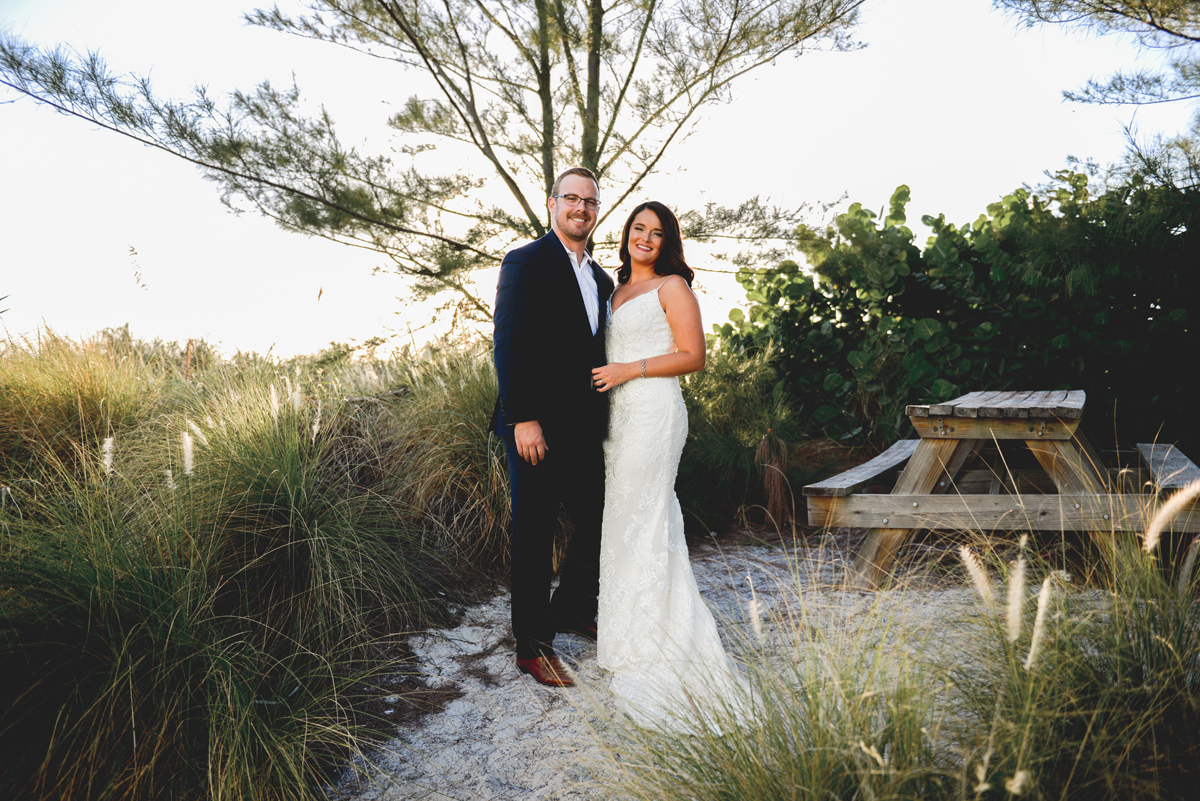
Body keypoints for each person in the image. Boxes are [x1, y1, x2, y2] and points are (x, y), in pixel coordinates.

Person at [590, 201, 748, 730]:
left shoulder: (672, 287)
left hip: (655, 412)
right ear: (627, 235)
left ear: (667, 243)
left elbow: (693, 355)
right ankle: (626, 634)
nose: (646, 238)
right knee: (625, 521)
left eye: (657, 233)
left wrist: (627, 369)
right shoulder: (612, 292)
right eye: (638, 229)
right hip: (619, 418)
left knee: (648, 515)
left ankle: (660, 637)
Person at [491, 167, 615, 688]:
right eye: (571, 199)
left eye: (589, 201)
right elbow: (509, 343)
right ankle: (533, 645)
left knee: (599, 518)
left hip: (586, 428)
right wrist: (522, 418)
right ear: (552, 204)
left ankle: (569, 607)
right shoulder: (525, 262)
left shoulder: (603, 279)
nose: (580, 209)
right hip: (535, 428)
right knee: (535, 534)